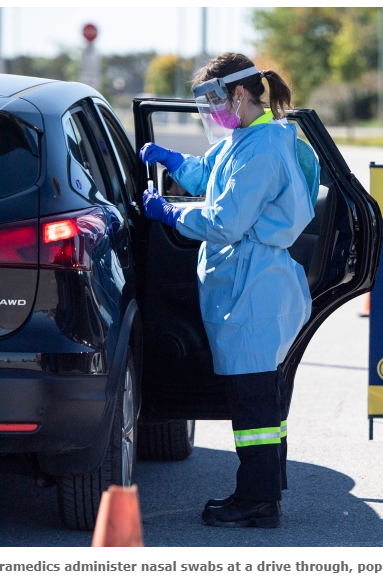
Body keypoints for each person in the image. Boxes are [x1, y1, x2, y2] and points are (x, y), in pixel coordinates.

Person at [138, 52, 320, 528]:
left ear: (239, 94)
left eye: (214, 102)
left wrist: (172, 214)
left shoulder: (261, 149)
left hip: (253, 287)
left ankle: (256, 502)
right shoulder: (249, 138)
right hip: (252, 284)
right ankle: (267, 489)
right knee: (263, 397)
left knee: (253, 402)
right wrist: (175, 162)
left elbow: (226, 219)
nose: (211, 113)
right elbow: (211, 175)